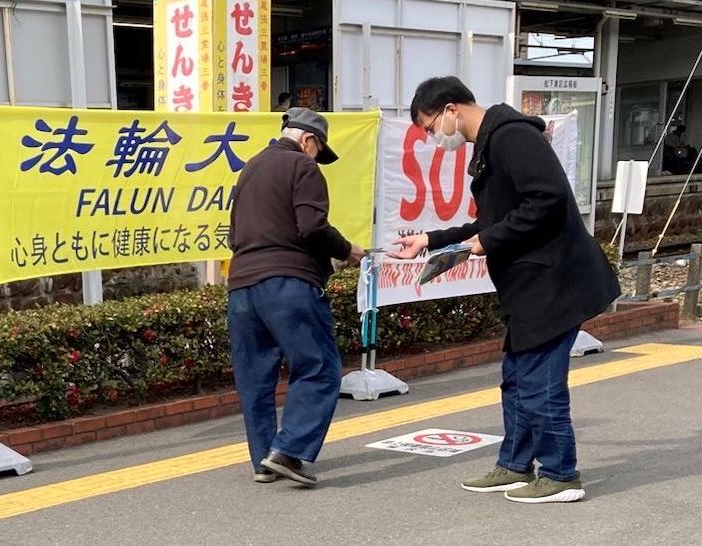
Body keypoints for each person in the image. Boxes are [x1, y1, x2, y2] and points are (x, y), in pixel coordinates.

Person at [390, 76, 620, 503]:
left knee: (540, 384)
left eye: (431, 126)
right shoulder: (493, 142)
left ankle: (561, 475)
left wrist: (487, 241)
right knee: (516, 380)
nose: (433, 137)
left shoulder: (512, 137)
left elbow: (548, 198)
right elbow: (491, 221)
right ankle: (515, 465)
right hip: (529, 285)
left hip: (551, 282)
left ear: (452, 109)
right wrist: (432, 240)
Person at [228, 107, 365, 486]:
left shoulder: (250, 169)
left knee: (255, 379)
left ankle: (264, 460)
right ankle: (289, 451)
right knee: (319, 367)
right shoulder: (302, 166)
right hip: (288, 283)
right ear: (308, 140)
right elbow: (312, 227)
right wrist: (347, 250)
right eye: (318, 150)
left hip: (241, 287)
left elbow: (233, 235)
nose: (317, 158)